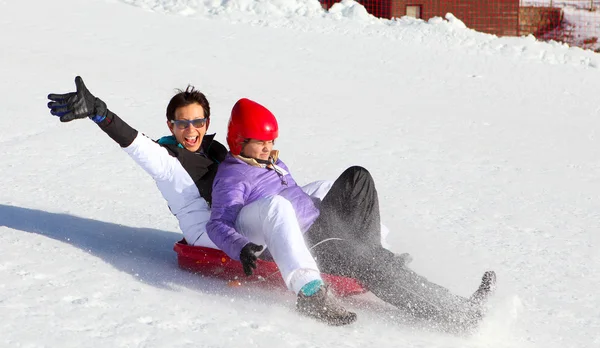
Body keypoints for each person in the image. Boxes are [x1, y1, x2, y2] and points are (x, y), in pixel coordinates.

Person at [207, 98, 496, 330]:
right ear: (239, 140)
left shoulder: (269, 161)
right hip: (302, 240)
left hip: (319, 221)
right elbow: (218, 222)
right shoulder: (232, 177)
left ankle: (371, 252)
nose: (269, 148)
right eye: (261, 142)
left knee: (358, 176)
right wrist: (241, 247)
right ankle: (457, 314)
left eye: (272, 141)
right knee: (368, 262)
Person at [47, 76, 227, 247]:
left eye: (198, 122)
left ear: (207, 123)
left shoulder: (215, 150)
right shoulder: (166, 161)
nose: (191, 130)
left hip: (231, 224)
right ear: (170, 126)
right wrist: (99, 113)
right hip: (205, 234)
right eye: (182, 123)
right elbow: (135, 142)